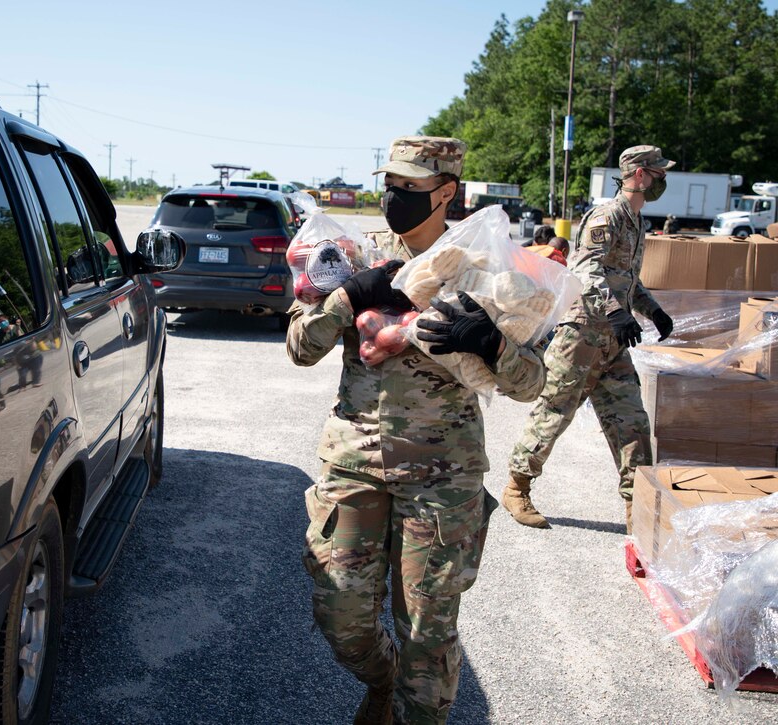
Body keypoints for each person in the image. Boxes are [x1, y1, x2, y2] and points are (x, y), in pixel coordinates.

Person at [288, 136, 546, 724]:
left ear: (447, 192)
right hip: (353, 464)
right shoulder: (350, 255)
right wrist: (346, 297)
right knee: (341, 618)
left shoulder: (490, 270)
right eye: (390, 187)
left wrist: (489, 341)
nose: (394, 198)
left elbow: (532, 382)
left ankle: (410, 708)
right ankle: (383, 683)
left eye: (410, 189)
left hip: (441, 475)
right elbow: (300, 349)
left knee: (429, 631)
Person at [504, 145, 676, 532]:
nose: (662, 179)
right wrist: (616, 312)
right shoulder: (608, 215)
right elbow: (586, 266)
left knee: (630, 421)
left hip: (614, 340)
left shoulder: (637, 221)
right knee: (555, 411)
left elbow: (627, 280)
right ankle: (517, 487)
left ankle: (638, 506)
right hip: (582, 333)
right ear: (640, 174)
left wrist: (653, 311)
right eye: (658, 172)